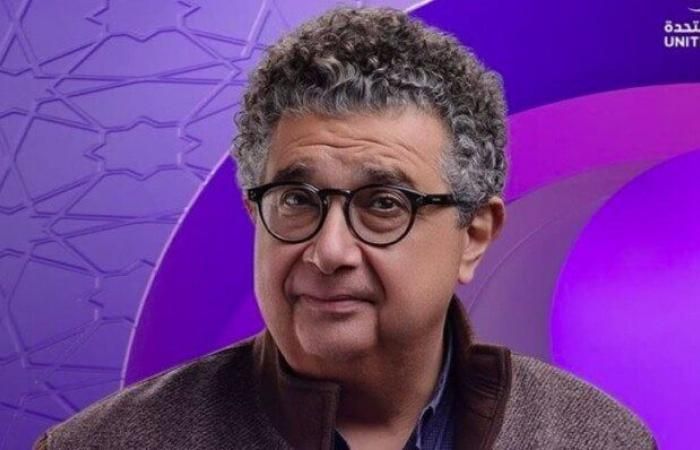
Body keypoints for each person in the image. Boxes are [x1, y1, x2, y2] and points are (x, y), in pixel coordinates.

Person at [35, 7, 656, 450]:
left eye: (383, 203)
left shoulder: (595, 439)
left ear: (473, 235)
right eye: (297, 199)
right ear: (255, 213)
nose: (329, 250)